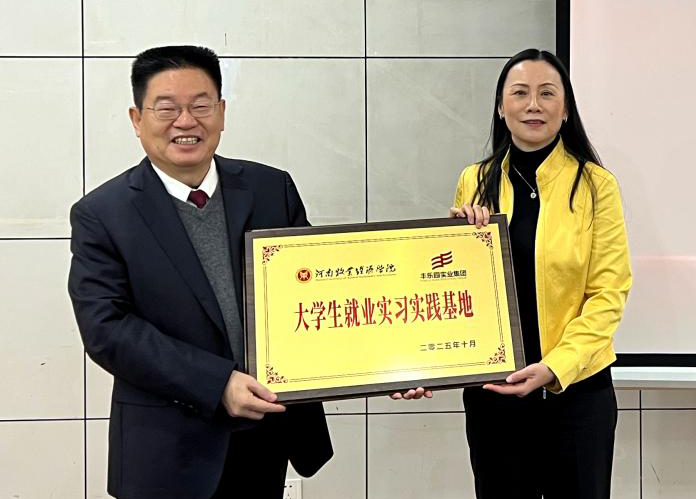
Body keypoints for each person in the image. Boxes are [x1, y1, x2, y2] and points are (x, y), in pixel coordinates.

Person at [68, 45, 332, 499]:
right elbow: (106, 329)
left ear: (222, 113)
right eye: (166, 108)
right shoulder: (103, 213)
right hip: (167, 449)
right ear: (137, 119)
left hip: (267, 434)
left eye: (201, 106)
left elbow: (317, 292)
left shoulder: (272, 188)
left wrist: (396, 366)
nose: (186, 121)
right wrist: (217, 383)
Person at [393, 48, 632, 499]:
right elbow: (450, 293)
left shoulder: (596, 186)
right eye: (520, 93)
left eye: (547, 93)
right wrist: (418, 361)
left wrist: (554, 368)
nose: (533, 105)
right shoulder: (474, 181)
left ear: (566, 109)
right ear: (502, 108)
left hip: (578, 395)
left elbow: (609, 293)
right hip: (494, 397)